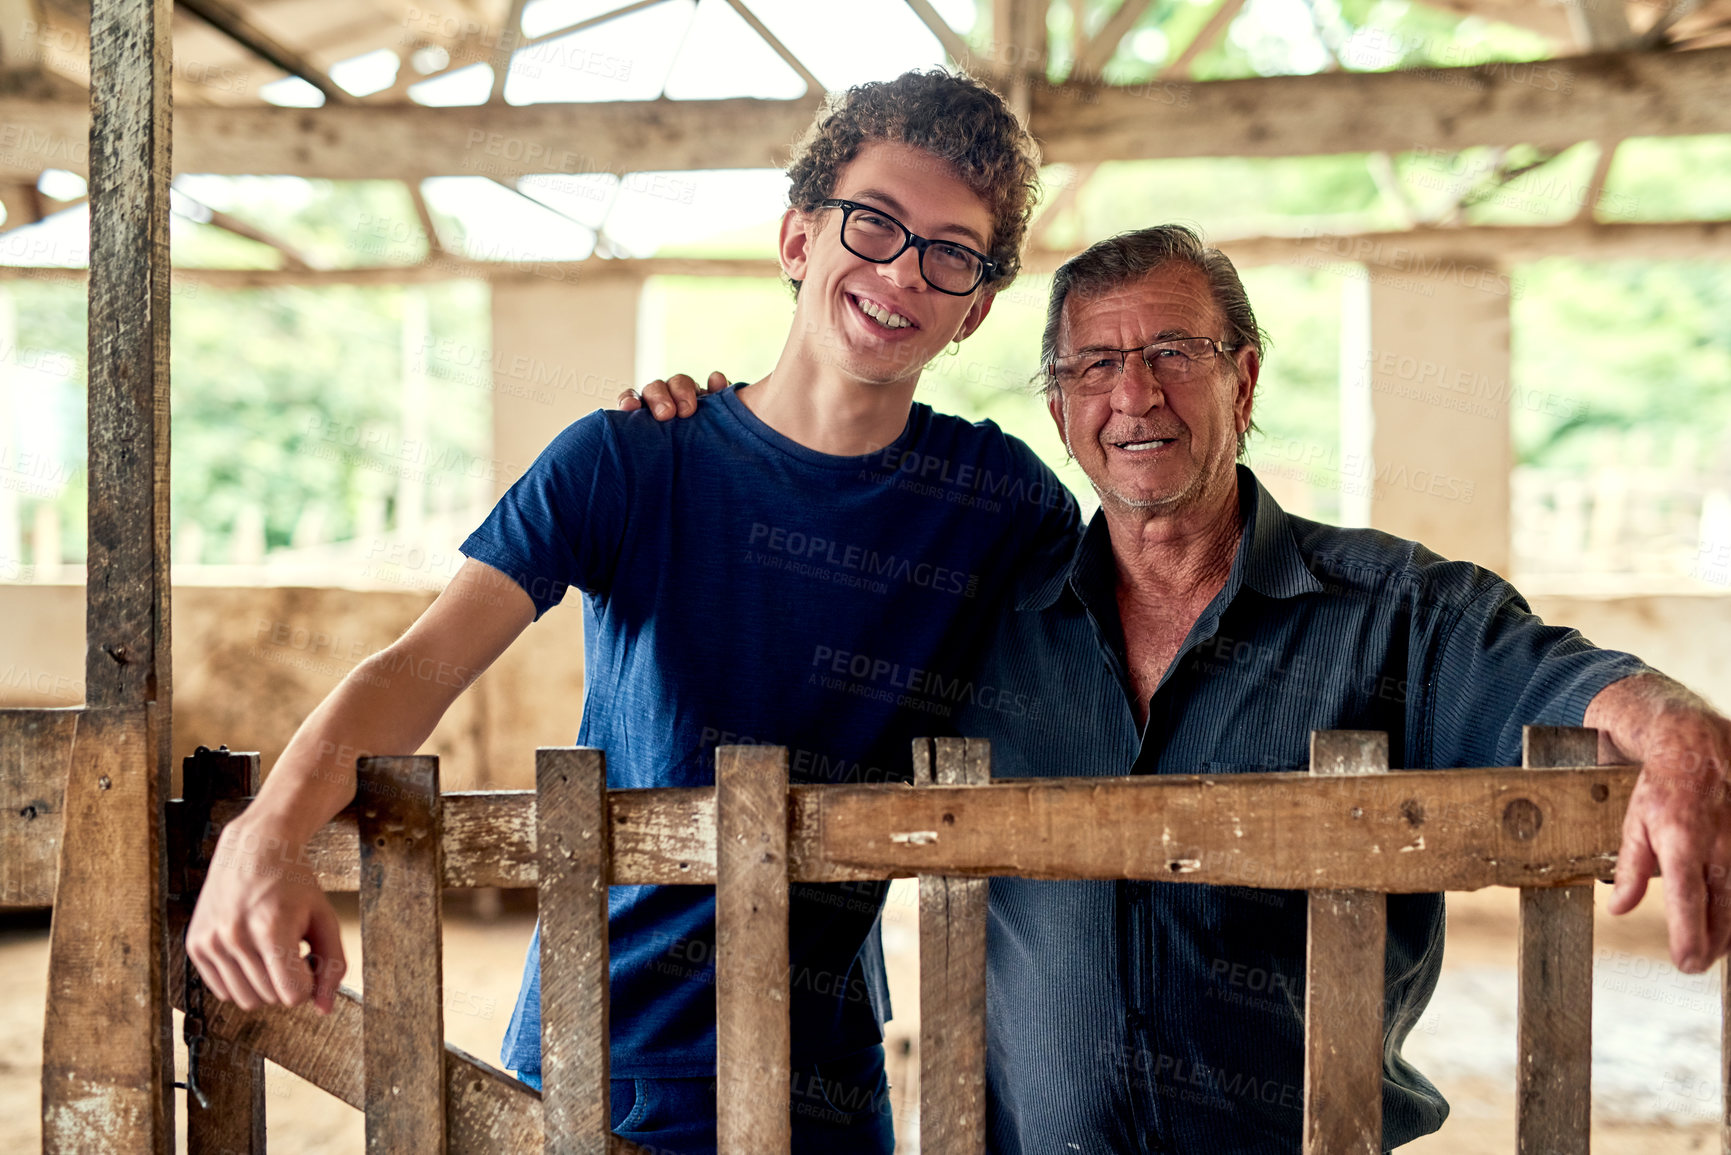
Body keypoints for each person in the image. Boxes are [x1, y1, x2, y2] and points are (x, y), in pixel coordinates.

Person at [635, 224, 1731, 1152]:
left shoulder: (1389, 606)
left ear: (1243, 379)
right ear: (1060, 412)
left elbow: (1559, 672)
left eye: (1173, 351)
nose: (1135, 394)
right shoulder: (980, 612)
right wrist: (710, 438)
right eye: (1094, 367)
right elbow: (797, 610)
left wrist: (1671, 724)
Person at [186, 69, 1078, 1154]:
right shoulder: (628, 459)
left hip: (830, 1075)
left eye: (950, 252)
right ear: (798, 238)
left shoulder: (1005, 505)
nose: (901, 271)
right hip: (601, 1048)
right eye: (874, 223)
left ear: (976, 306)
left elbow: (1102, 700)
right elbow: (417, 669)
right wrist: (266, 835)